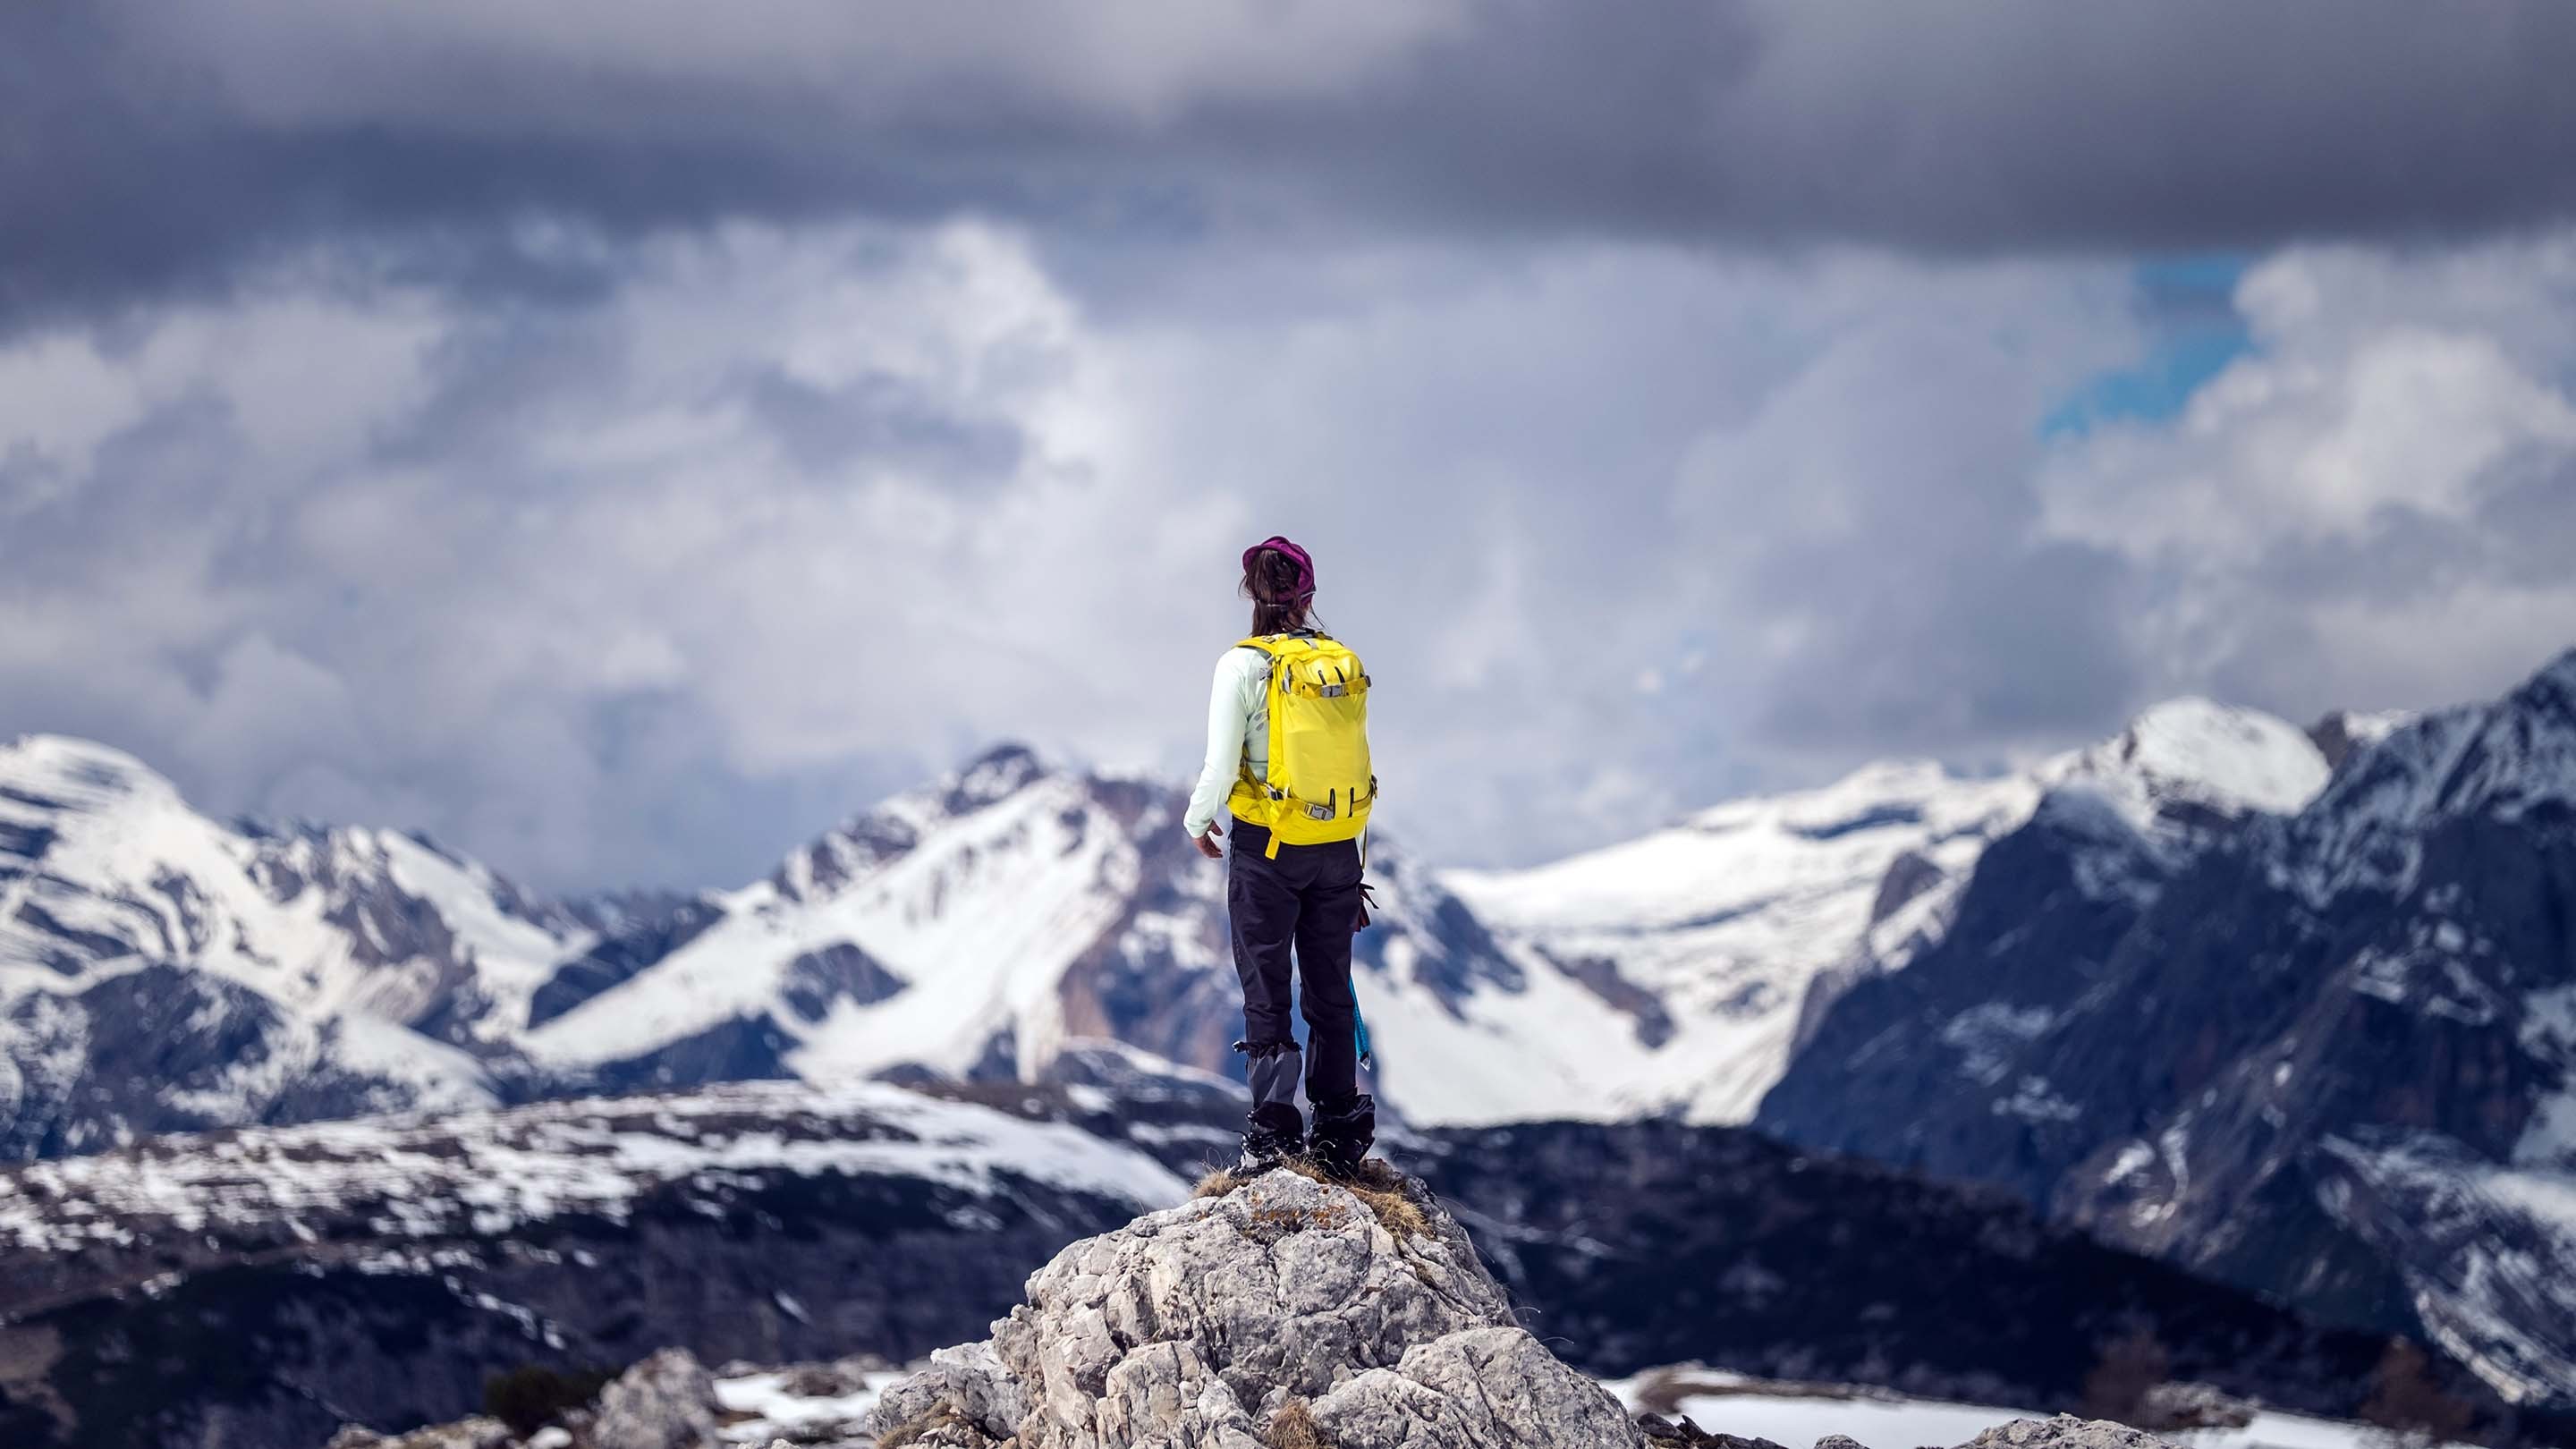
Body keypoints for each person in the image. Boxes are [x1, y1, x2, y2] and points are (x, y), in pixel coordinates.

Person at [1182, 535, 1377, 1176]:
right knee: (1329, 987)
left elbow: (1218, 764)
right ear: (1307, 597)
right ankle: (1340, 1129)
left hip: (1267, 847)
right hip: (1337, 849)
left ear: (1252, 596)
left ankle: (1273, 1134)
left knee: (1267, 987)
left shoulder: (1240, 666)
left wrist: (1197, 820)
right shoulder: (1338, 663)